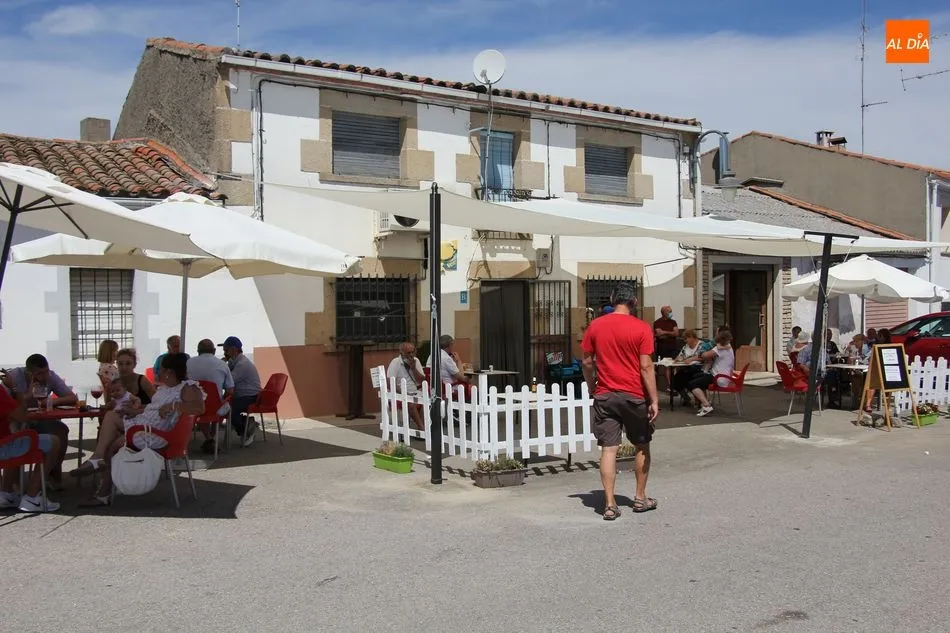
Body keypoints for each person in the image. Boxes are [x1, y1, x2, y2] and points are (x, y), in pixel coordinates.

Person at [69, 353, 206, 508]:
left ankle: (103, 489)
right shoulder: (167, 387)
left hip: (154, 434)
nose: (156, 372)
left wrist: (173, 406)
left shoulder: (187, 387)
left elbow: (199, 408)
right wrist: (136, 411)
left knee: (113, 445)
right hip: (146, 425)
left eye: (159, 369)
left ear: (169, 371)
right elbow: (153, 408)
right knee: (112, 416)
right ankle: (98, 461)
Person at [581, 282, 659, 521]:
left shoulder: (595, 325)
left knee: (609, 449)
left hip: (605, 394)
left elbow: (586, 362)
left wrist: (591, 384)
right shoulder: (642, 328)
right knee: (642, 444)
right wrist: (654, 399)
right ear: (634, 302)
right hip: (634, 395)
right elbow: (645, 365)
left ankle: (610, 504)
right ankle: (640, 497)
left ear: (612, 299)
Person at [2, 354, 74, 488]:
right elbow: (6, 404)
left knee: (61, 430)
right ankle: (14, 484)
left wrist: (53, 400)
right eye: (40, 373)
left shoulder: (50, 376)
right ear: (29, 373)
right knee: (16, 437)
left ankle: (53, 471)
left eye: (46, 371)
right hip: (14, 421)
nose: (44, 376)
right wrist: (27, 395)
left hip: (38, 419)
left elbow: (71, 397)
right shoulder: (14, 377)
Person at [0, 385, 61, 512]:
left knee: (15, 438)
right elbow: (22, 416)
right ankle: (32, 497)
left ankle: (6, 494)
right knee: (54, 442)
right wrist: (18, 393)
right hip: (3, 447)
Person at [187, 339, 235, 454]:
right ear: (213, 350)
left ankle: (209, 438)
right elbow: (230, 390)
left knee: (203, 406)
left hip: (193, 407)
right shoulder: (222, 364)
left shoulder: (188, 363)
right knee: (219, 404)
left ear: (198, 351)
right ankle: (212, 437)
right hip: (215, 407)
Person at [220, 336, 261, 447]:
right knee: (223, 407)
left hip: (250, 396)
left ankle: (246, 430)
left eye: (225, 350)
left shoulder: (242, 364)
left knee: (230, 411)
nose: (224, 353)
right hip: (240, 395)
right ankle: (246, 422)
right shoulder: (233, 362)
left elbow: (228, 381)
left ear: (233, 349)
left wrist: (222, 367)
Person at [683, 331, 736, 417]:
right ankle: (704, 402)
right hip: (724, 376)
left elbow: (703, 355)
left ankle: (706, 405)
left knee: (692, 384)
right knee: (696, 377)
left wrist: (705, 348)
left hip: (718, 377)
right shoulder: (729, 348)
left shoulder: (718, 349)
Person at [387, 342, 426, 430]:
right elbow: (390, 383)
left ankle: (423, 427)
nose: (411, 355)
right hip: (399, 393)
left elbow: (421, 380)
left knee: (425, 403)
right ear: (402, 353)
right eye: (408, 353)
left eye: (413, 352)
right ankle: (421, 428)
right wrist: (404, 393)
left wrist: (413, 368)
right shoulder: (395, 362)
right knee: (411, 404)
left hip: (415, 392)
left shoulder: (416, 361)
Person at [669, 330, 712, 407]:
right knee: (675, 380)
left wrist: (691, 359)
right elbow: (681, 356)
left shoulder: (702, 345)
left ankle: (699, 400)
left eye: (686, 338)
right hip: (687, 368)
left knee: (691, 379)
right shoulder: (685, 347)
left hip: (700, 368)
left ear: (692, 337)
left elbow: (703, 357)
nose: (685, 341)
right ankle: (686, 398)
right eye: (684, 339)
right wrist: (678, 359)